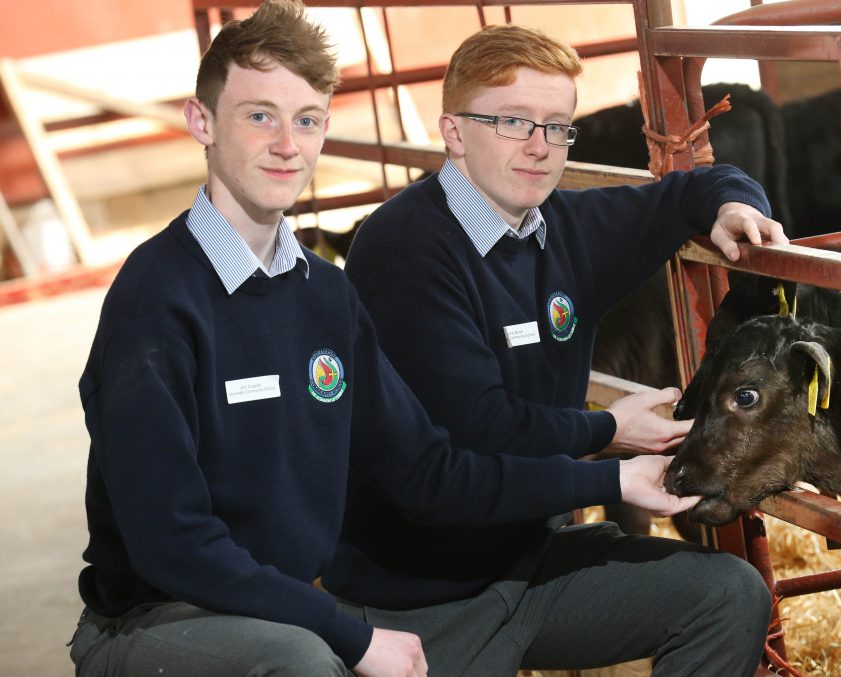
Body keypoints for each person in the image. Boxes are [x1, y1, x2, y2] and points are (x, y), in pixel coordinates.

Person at [67, 4, 697, 676]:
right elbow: (172, 542)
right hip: (159, 618)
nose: (287, 144)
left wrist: (612, 472)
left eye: (306, 119)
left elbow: (427, 472)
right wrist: (351, 634)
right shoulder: (154, 299)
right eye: (260, 116)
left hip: (286, 613)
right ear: (202, 121)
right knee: (304, 663)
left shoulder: (324, 295)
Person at [332, 23, 788, 677]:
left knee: (728, 595)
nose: (540, 147)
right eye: (514, 122)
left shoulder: (561, 227)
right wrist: (608, 440)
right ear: (455, 132)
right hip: (420, 602)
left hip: (538, 566)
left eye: (557, 126)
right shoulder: (403, 250)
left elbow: (689, 191)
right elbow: (474, 436)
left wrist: (731, 205)